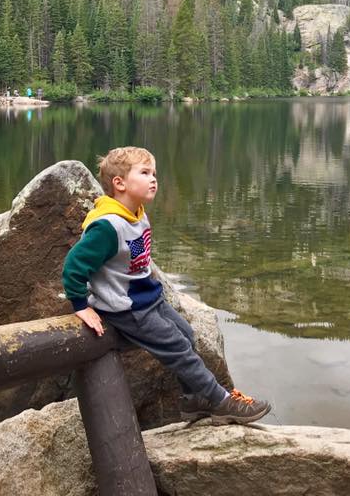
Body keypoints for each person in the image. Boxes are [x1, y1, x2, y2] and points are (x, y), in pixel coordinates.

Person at [62, 146, 271, 424]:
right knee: (178, 349)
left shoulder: (137, 215)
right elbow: (74, 266)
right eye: (145, 173)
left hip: (148, 299)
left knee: (185, 332)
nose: (154, 179)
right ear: (119, 183)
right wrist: (80, 305)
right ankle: (221, 402)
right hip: (127, 309)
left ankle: (193, 400)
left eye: (154, 173)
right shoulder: (108, 226)